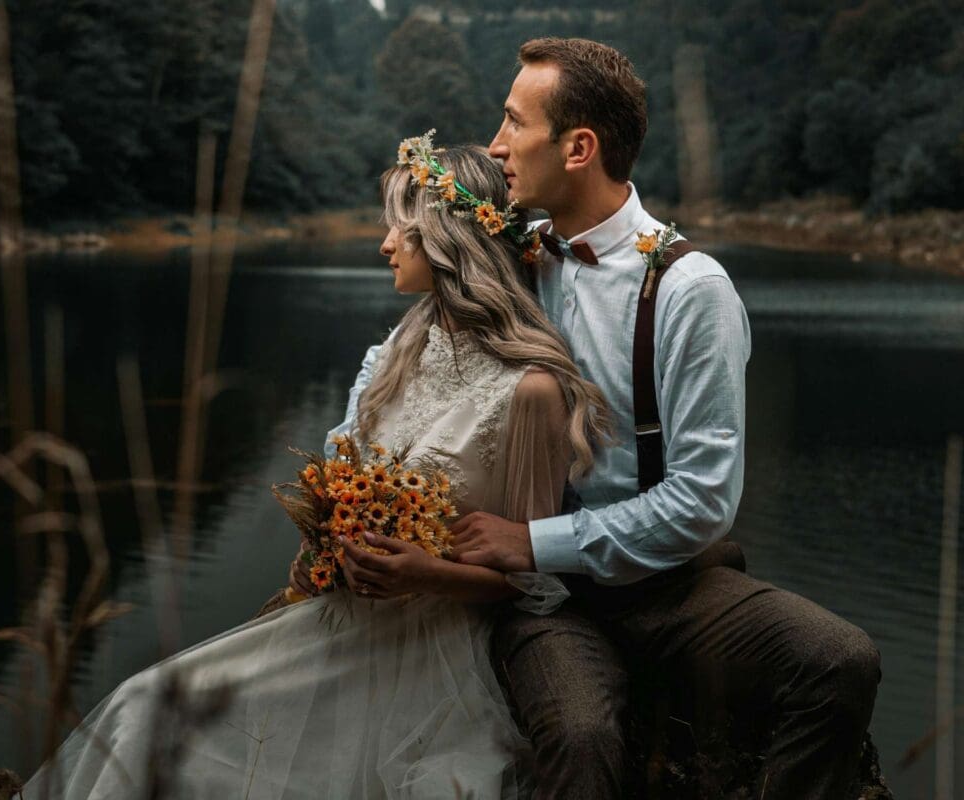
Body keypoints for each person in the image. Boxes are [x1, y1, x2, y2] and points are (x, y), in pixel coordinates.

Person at [330, 39, 881, 800]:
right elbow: (405, 353)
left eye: (514, 123)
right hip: (546, 601)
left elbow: (703, 501)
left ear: (579, 147)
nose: (496, 144)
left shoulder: (692, 291)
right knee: (583, 736)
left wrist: (529, 540)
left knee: (839, 659)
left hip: (669, 587)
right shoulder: (508, 253)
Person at [23, 140, 611, 799]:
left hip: (432, 646)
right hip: (338, 617)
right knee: (144, 707)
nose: (386, 243)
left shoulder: (530, 390)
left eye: (401, 228)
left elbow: (535, 582)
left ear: (447, 241)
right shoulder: (400, 348)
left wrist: (429, 573)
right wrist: (324, 542)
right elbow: (344, 474)